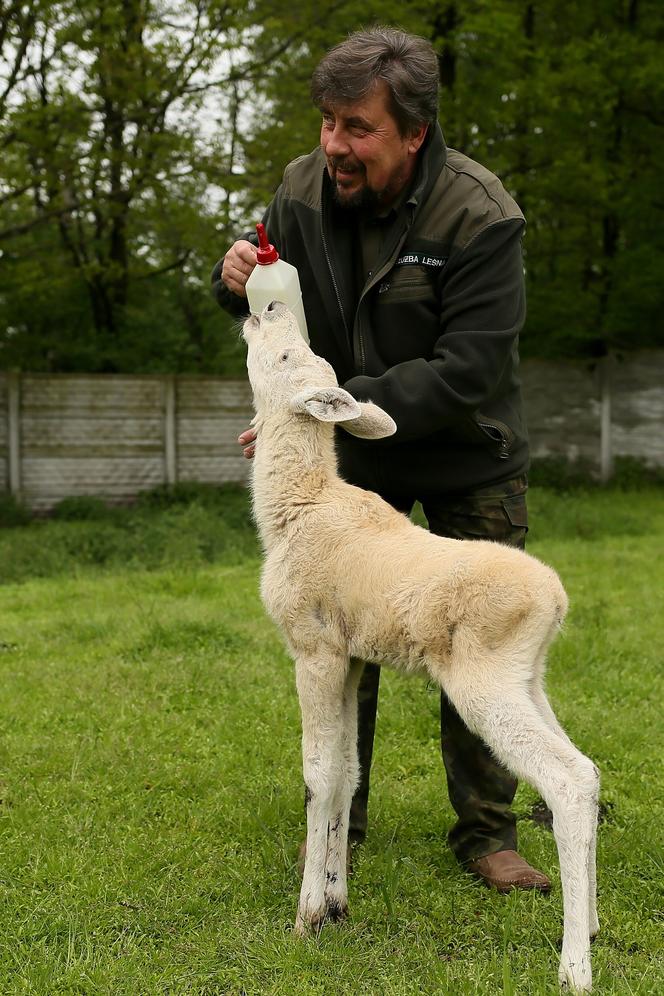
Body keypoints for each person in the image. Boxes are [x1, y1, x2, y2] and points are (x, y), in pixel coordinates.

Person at [212, 26, 551, 893]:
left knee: (471, 642)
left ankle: (487, 833)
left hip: (464, 454)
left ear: (413, 132)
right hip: (350, 461)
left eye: (356, 127)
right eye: (327, 121)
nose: (334, 145)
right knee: (335, 630)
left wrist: (342, 403)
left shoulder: (481, 213)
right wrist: (236, 278)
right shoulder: (299, 189)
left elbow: (470, 368)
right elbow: (272, 310)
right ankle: (336, 826)